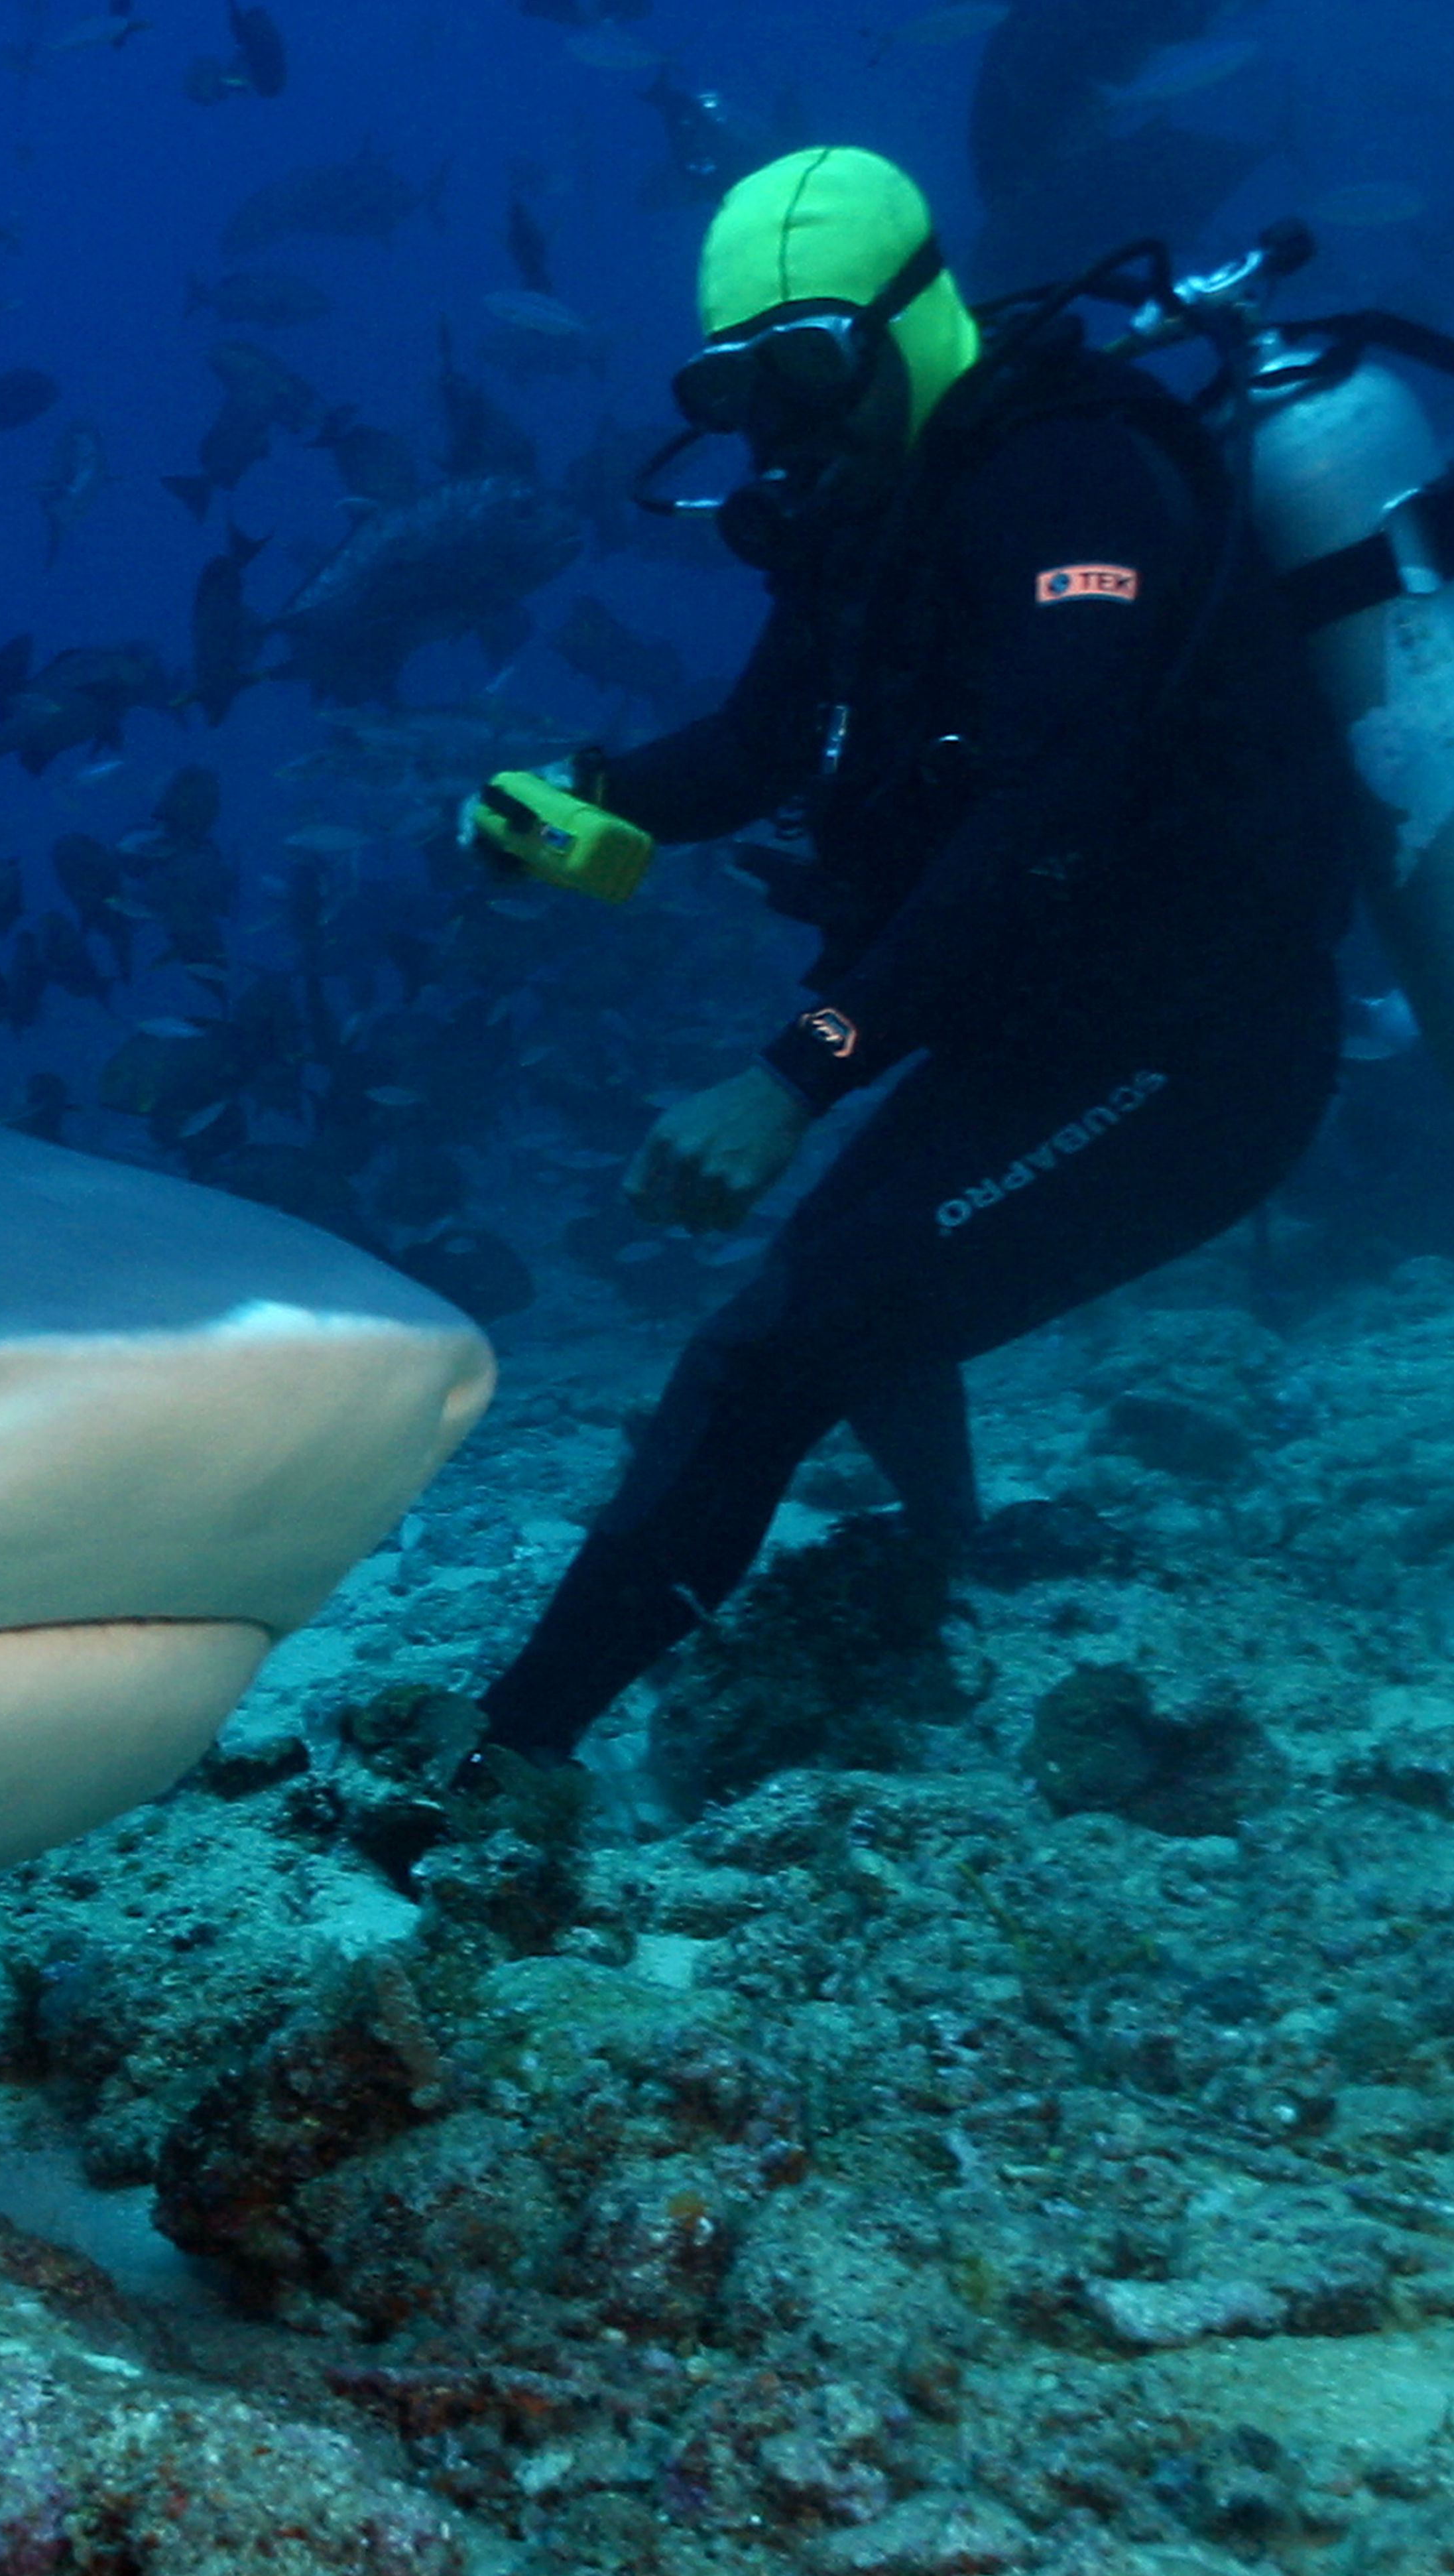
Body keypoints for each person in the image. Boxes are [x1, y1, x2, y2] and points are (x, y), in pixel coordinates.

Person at [454, 145, 1359, 1778]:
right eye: (733, 387)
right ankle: (947, 1561)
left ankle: (495, 1771)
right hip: (1048, 1025)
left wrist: (797, 1074)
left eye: (808, 367)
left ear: (912, 315)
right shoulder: (872, 509)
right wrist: (587, 795)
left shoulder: (1068, 483)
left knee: (772, 1351)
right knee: (852, 1276)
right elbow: (761, 743)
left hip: (1204, 1050)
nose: (775, 424)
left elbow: (1051, 807)